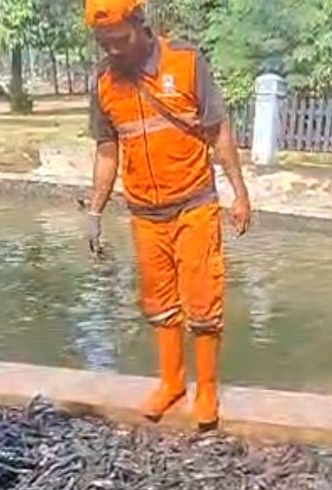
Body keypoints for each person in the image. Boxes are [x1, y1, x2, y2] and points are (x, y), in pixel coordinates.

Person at [85, 0, 252, 432]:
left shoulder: (186, 61)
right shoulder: (103, 81)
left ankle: (207, 389)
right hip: (144, 211)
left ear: (140, 23)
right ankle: (172, 382)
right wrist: (94, 211)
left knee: (203, 300)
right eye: (104, 43)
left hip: (194, 203)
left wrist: (239, 193)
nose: (113, 50)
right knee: (158, 303)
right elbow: (107, 152)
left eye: (119, 39)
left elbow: (218, 130)